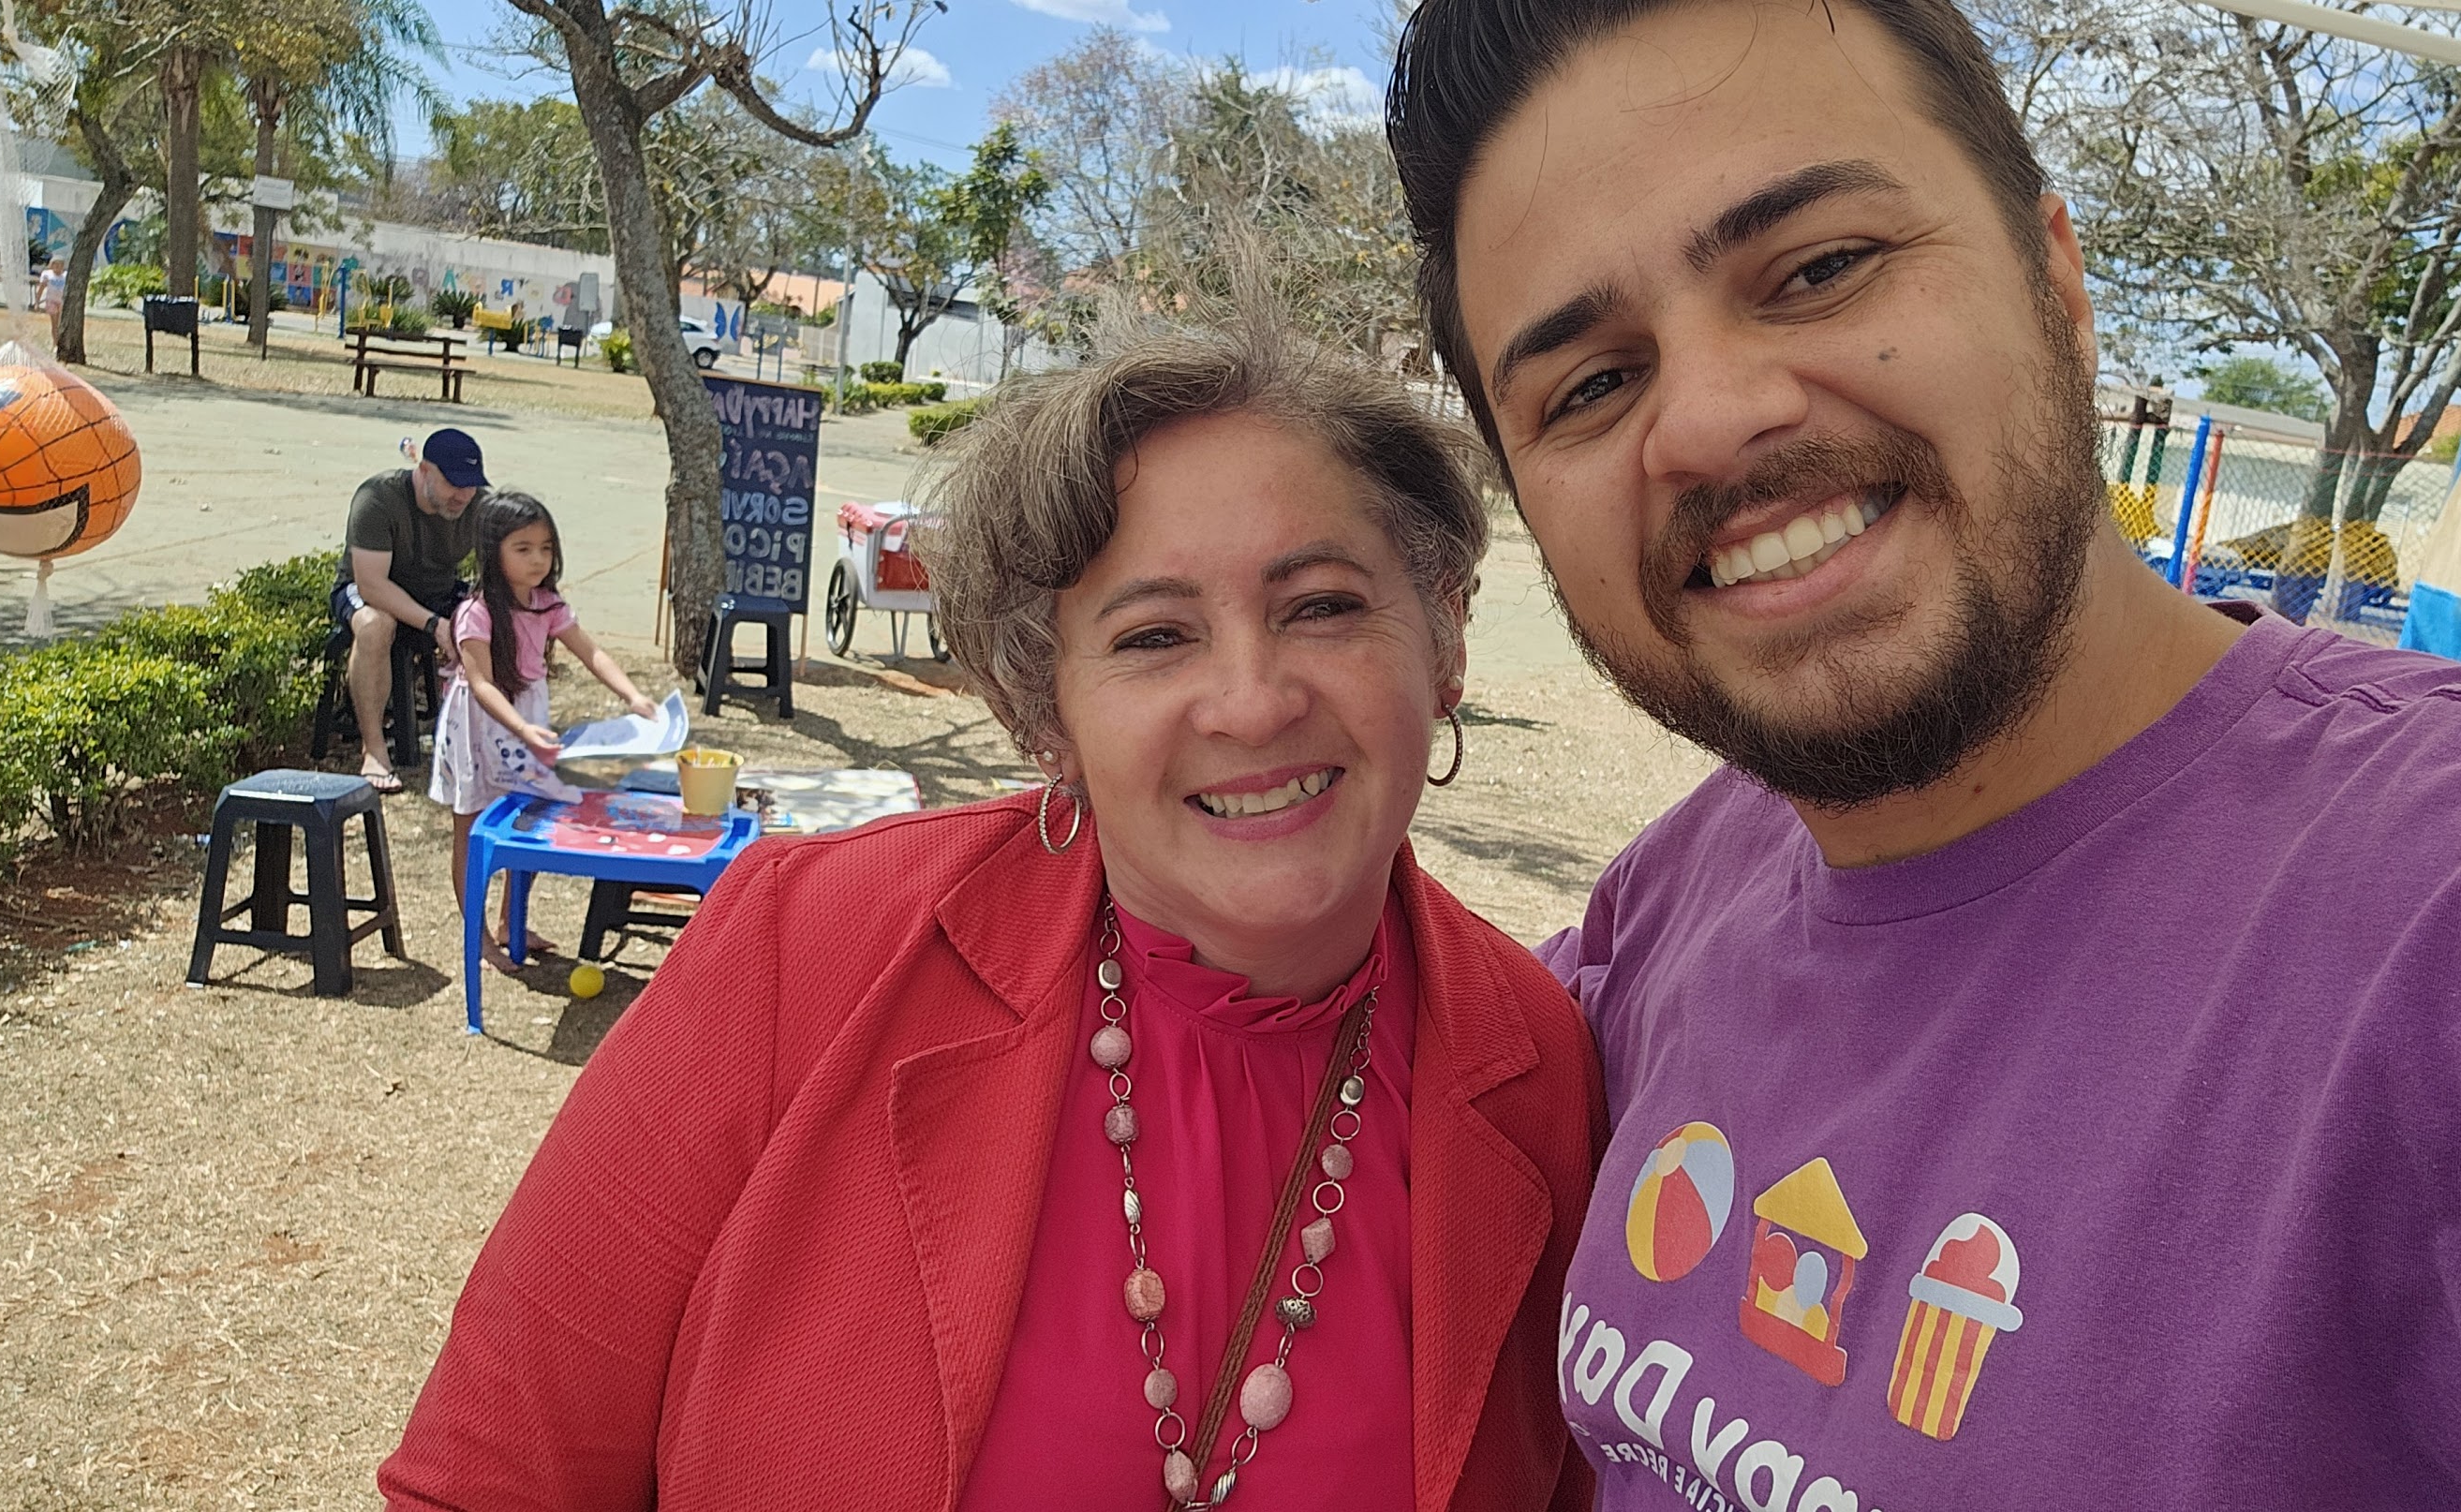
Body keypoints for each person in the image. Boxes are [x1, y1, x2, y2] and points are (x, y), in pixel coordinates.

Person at [1386, 2, 2461, 1508]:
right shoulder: (1674, 896)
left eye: (1819, 268)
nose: (1705, 418)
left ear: (2059, 279)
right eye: (1586, 385)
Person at [379, 315, 1605, 1510]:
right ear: (1046, 704)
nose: (1249, 700)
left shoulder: (1543, 1071)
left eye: (1324, 606)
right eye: (1153, 634)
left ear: (1441, 633)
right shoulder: (803, 949)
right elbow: (487, 1475)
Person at [434, 490, 656, 971]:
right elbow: (481, 685)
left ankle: (511, 920)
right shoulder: (477, 611)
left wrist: (632, 696)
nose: (538, 559)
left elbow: (590, 651)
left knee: (533, 819)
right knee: (472, 828)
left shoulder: (547, 604)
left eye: (546, 548)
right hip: (480, 724)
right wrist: (522, 729)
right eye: (524, 548)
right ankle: (478, 935)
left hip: (526, 719)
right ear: (493, 552)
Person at [335, 427, 486, 793]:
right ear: (424, 472)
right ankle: (373, 750)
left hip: (438, 591)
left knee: (492, 620)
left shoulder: (478, 505)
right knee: (375, 626)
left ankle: (489, 739)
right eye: (454, 484)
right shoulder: (379, 498)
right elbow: (371, 584)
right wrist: (435, 625)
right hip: (370, 591)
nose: (463, 495)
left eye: (471, 484)